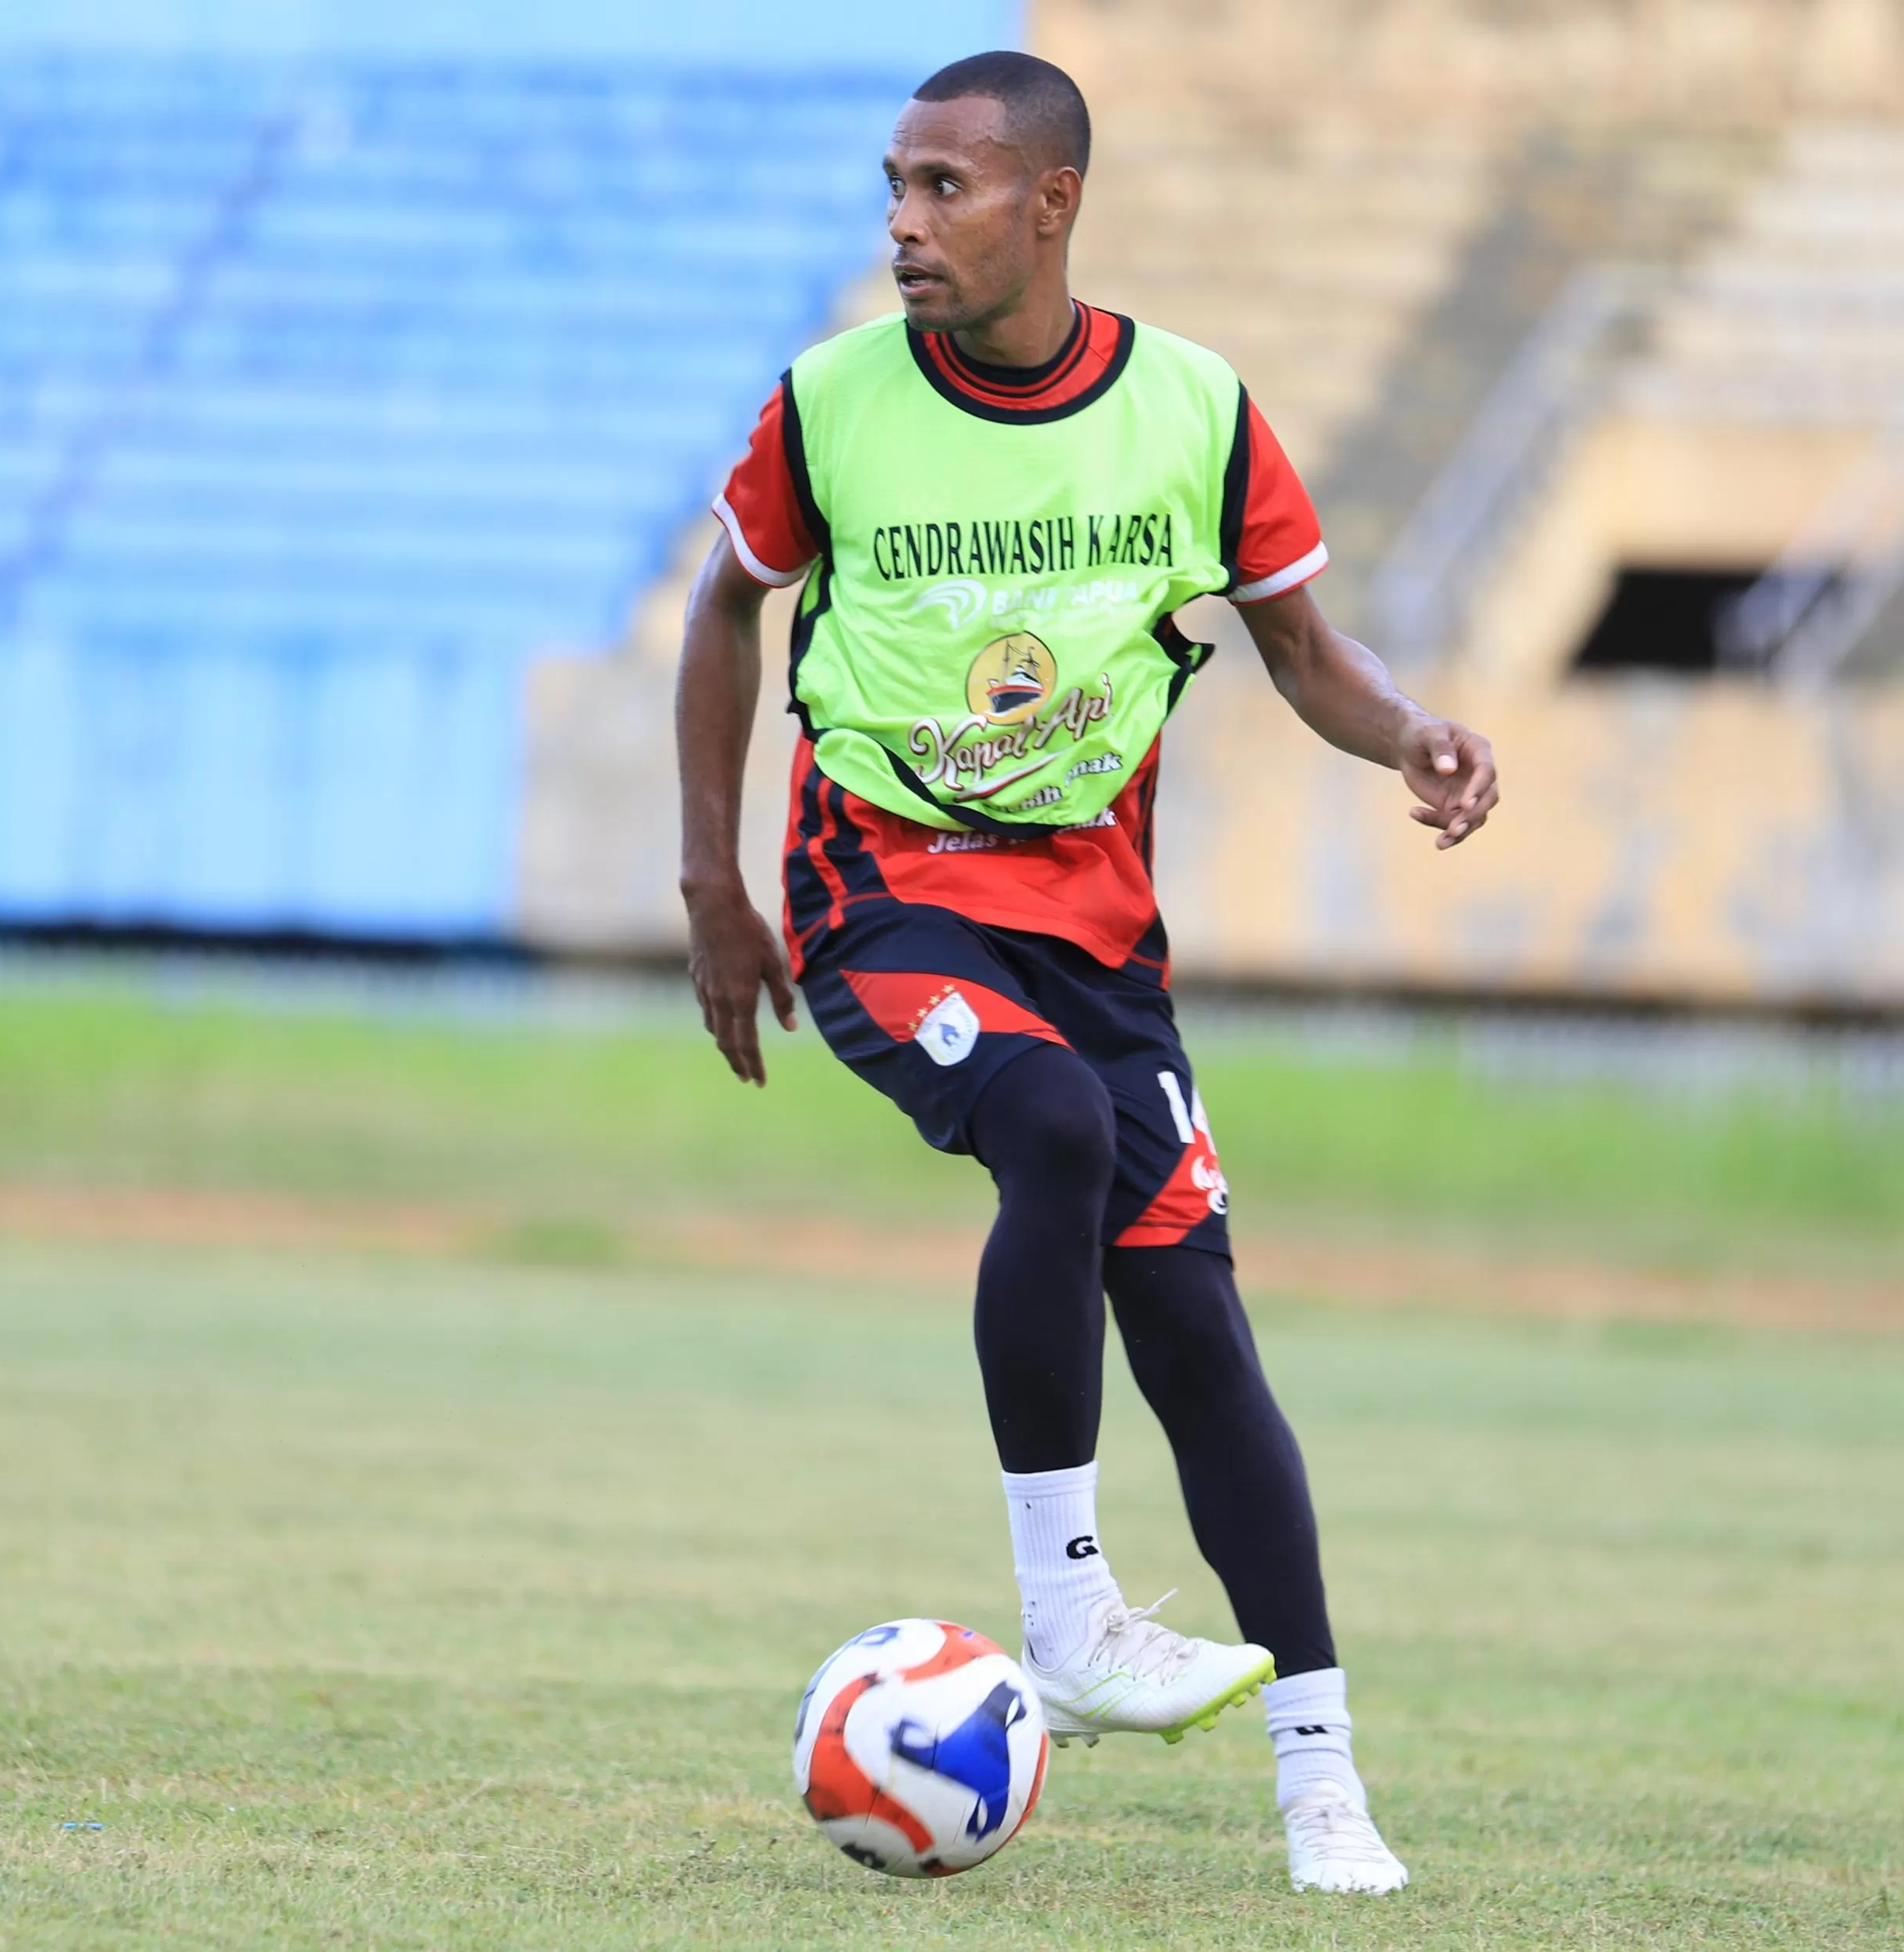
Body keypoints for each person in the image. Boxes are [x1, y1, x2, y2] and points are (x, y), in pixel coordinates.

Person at [673, 50, 1498, 1896]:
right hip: (874, 879)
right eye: (893, 185)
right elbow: (721, 604)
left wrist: (1412, 728)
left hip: (1098, 934)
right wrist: (708, 878)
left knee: (1197, 1328)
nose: (902, 221)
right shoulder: (830, 407)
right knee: (1044, 1119)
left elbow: (1298, 645)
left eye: (944, 188)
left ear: (1051, 201)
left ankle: (1322, 1787)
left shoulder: (1192, 410)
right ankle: (1066, 1607)